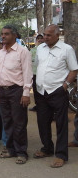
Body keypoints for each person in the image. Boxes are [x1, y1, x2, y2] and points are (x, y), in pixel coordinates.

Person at [34, 25, 78, 168]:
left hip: (57, 91)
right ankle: (47, 148)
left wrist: (64, 86)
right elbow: (38, 66)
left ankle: (61, 155)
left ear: (57, 35)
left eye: (49, 35)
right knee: (42, 122)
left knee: (61, 124)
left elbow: (74, 69)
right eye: (44, 34)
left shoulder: (67, 49)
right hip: (41, 91)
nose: (45, 37)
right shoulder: (40, 48)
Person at [0, 25, 32, 165]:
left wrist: (26, 93)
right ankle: (11, 149)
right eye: (2, 34)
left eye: (6, 34)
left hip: (17, 91)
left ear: (14, 35)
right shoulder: (1, 52)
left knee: (19, 122)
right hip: (3, 91)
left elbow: (27, 73)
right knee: (7, 121)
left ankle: (21, 152)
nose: (3, 36)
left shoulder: (23, 52)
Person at [29, 34, 44, 112]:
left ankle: (43, 107)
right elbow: (31, 61)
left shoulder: (46, 49)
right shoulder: (33, 50)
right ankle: (37, 105)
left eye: (42, 38)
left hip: (43, 75)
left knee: (42, 91)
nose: (40, 40)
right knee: (35, 91)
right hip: (34, 73)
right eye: (38, 38)